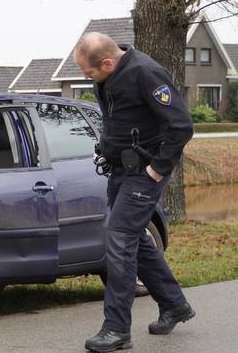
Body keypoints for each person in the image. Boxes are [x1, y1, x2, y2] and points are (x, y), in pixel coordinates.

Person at [73, 32, 195, 352]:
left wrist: (158, 169)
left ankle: (116, 329)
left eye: (89, 72)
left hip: (145, 174)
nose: (86, 77)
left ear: (109, 62)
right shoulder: (107, 76)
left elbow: (181, 125)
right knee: (134, 238)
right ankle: (174, 304)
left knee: (120, 239)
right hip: (119, 170)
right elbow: (119, 120)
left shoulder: (146, 72)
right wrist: (105, 150)